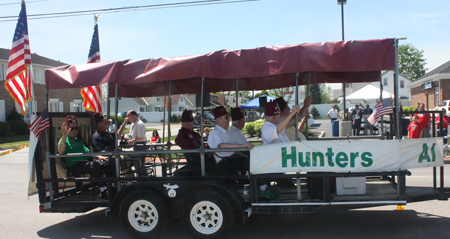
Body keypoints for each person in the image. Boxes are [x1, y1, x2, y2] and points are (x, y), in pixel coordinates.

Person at [58, 115, 115, 199]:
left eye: (76, 128)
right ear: (66, 129)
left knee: (108, 162)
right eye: (71, 128)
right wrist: (64, 136)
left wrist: (98, 156)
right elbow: (60, 151)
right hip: (75, 165)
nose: (74, 131)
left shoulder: (79, 140)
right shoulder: (64, 140)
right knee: (95, 165)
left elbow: (88, 152)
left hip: (87, 161)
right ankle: (103, 190)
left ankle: (112, 187)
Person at [208, 106, 254, 173]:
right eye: (226, 117)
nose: (229, 119)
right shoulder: (215, 133)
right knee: (250, 162)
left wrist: (241, 154)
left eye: (229, 117)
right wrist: (243, 145)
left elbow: (231, 149)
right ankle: (257, 182)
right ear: (218, 120)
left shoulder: (225, 132)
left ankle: (251, 181)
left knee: (250, 158)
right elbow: (221, 145)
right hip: (223, 162)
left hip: (230, 158)